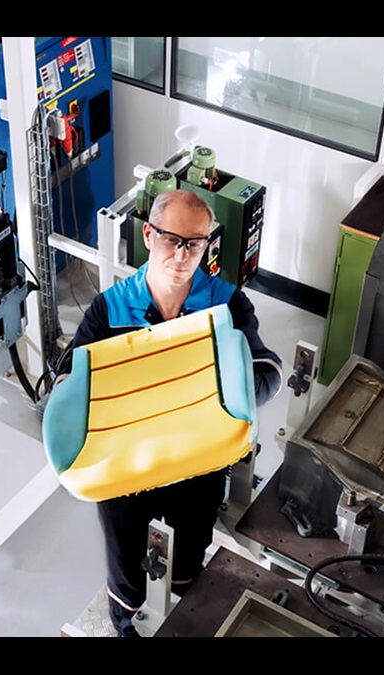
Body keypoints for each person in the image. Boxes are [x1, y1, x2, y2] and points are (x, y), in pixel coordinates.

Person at [70, 189, 282, 637]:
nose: (183, 255)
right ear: (148, 234)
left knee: (187, 570)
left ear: (208, 245)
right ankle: (126, 624)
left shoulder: (226, 305)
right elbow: (69, 389)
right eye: (171, 239)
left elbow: (266, 375)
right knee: (126, 572)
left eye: (195, 243)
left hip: (196, 468)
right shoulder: (110, 308)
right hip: (127, 472)